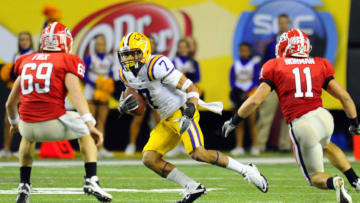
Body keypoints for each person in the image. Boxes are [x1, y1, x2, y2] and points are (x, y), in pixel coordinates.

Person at [117, 32, 268, 203]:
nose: (128, 58)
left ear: (144, 51)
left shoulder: (156, 65)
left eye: (132, 53)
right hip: (166, 119)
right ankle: (192, 186)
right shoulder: (125, 73)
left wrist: (189, 111)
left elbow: (192, 88)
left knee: (198, 153)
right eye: (125, 54)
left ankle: (247, 170)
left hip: (182, 111)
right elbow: (139, 102)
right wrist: (125, 106)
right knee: (149, 158)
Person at [222, 29, 360, 203]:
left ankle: (334, 182)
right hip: (324, 118)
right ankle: (356, 180)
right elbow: (344, 97)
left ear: (286, 47)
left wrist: (234, 121)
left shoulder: (275, 66)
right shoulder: (320, 64)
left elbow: (255, 101)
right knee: (326, 143)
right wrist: (354, 123)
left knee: (315, 177)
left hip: (302, 123)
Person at [5, 22, 112, 203]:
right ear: (65, 43)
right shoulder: (66, 60)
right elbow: (77, 97)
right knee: (85, 128)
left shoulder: (26, 60)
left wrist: (15, 123)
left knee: (27, 135)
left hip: (28, 126)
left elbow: (10, 103)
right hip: (52, 123)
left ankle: (24, 185)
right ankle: (91, 179)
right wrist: (90, 124)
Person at [257, 13, 291, 152]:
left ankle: (285, 145)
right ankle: (259, 144)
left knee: (287, 115)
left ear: (288, 23)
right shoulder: (271, 43)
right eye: (280, 23)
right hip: (272, 83)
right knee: (266, 113)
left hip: (288, 83)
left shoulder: (293, 44)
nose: (282, 25)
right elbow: (264, 63)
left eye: (285, 23)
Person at [124, 35, 160, 155]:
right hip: (141, 91)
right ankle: (131, 144)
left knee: (159, 120)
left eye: (152, 43)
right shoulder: (135, 58)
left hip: (155, 92)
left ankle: (160, 146)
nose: (151, 44)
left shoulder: (158, 59)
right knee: (137, 119)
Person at [0, 31, 34, 158]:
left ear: (31, 42)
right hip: (17, 91)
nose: (24, 42)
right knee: (8, 120)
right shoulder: (17, 55)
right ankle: (7, 149)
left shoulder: (34, 55)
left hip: (29, 92)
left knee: (29, 122)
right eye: (21, 39)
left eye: (26, 39)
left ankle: (26, 150)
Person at [83, 34, 115, 158]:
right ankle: (89, 147)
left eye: (103, 44)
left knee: (101, 121)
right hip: (91, 92)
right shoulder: (90, 58)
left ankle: (100, 147)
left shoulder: (110, 59)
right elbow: (83, 75)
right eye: (98, 44)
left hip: (104, 93)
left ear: (106, 46)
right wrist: (94, 84)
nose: (100, 46)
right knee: (90, 121)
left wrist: (107, 85)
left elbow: (112, 74)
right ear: (95, 46)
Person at [229, 42, 261, 156]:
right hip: (238, 95)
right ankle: (239, 147)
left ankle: (255, 146)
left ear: (249, 51)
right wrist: (238, 93)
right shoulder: (235, 65)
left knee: (252, 122)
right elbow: (232, 81)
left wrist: (247, 92)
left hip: (249, 95)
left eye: (246, 50)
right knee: (238, 122)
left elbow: (256, 81)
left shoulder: (254, 65)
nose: (243, 53)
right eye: (241, 50)